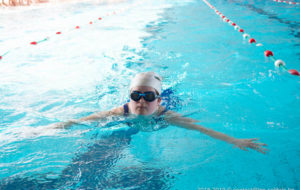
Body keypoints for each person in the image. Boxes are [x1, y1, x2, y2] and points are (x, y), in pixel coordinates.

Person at [50, 72, 268, 154]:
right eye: (136, 96)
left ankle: (162, 83)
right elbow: (80, 121)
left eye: (149, 96)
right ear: (129, 98)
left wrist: (233, 140)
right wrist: (49, 129)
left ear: (158, 100)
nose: (142, 101)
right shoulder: (120, 111)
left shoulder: (168, 115)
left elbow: (201, 129)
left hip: (170, 101)